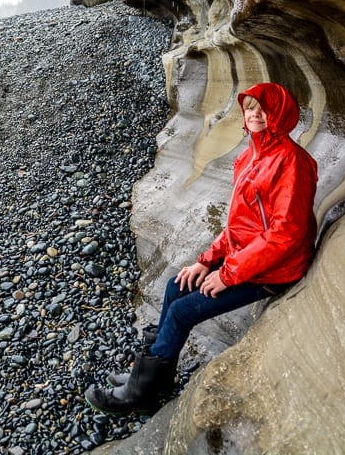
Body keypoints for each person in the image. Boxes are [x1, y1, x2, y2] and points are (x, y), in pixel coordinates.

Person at [85, 82, 319, 415]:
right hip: (250, 259)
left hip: (275, 269)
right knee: (176, 286)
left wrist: (228, 274)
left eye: (263, 109)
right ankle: (155, 375)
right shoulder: (251, 156)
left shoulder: (292, 164)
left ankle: (140, 392)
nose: (255, 114)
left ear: (280, 114)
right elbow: (241, 226)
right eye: (250, 107)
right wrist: (206, 262)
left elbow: (284, 236)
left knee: (183, 312)